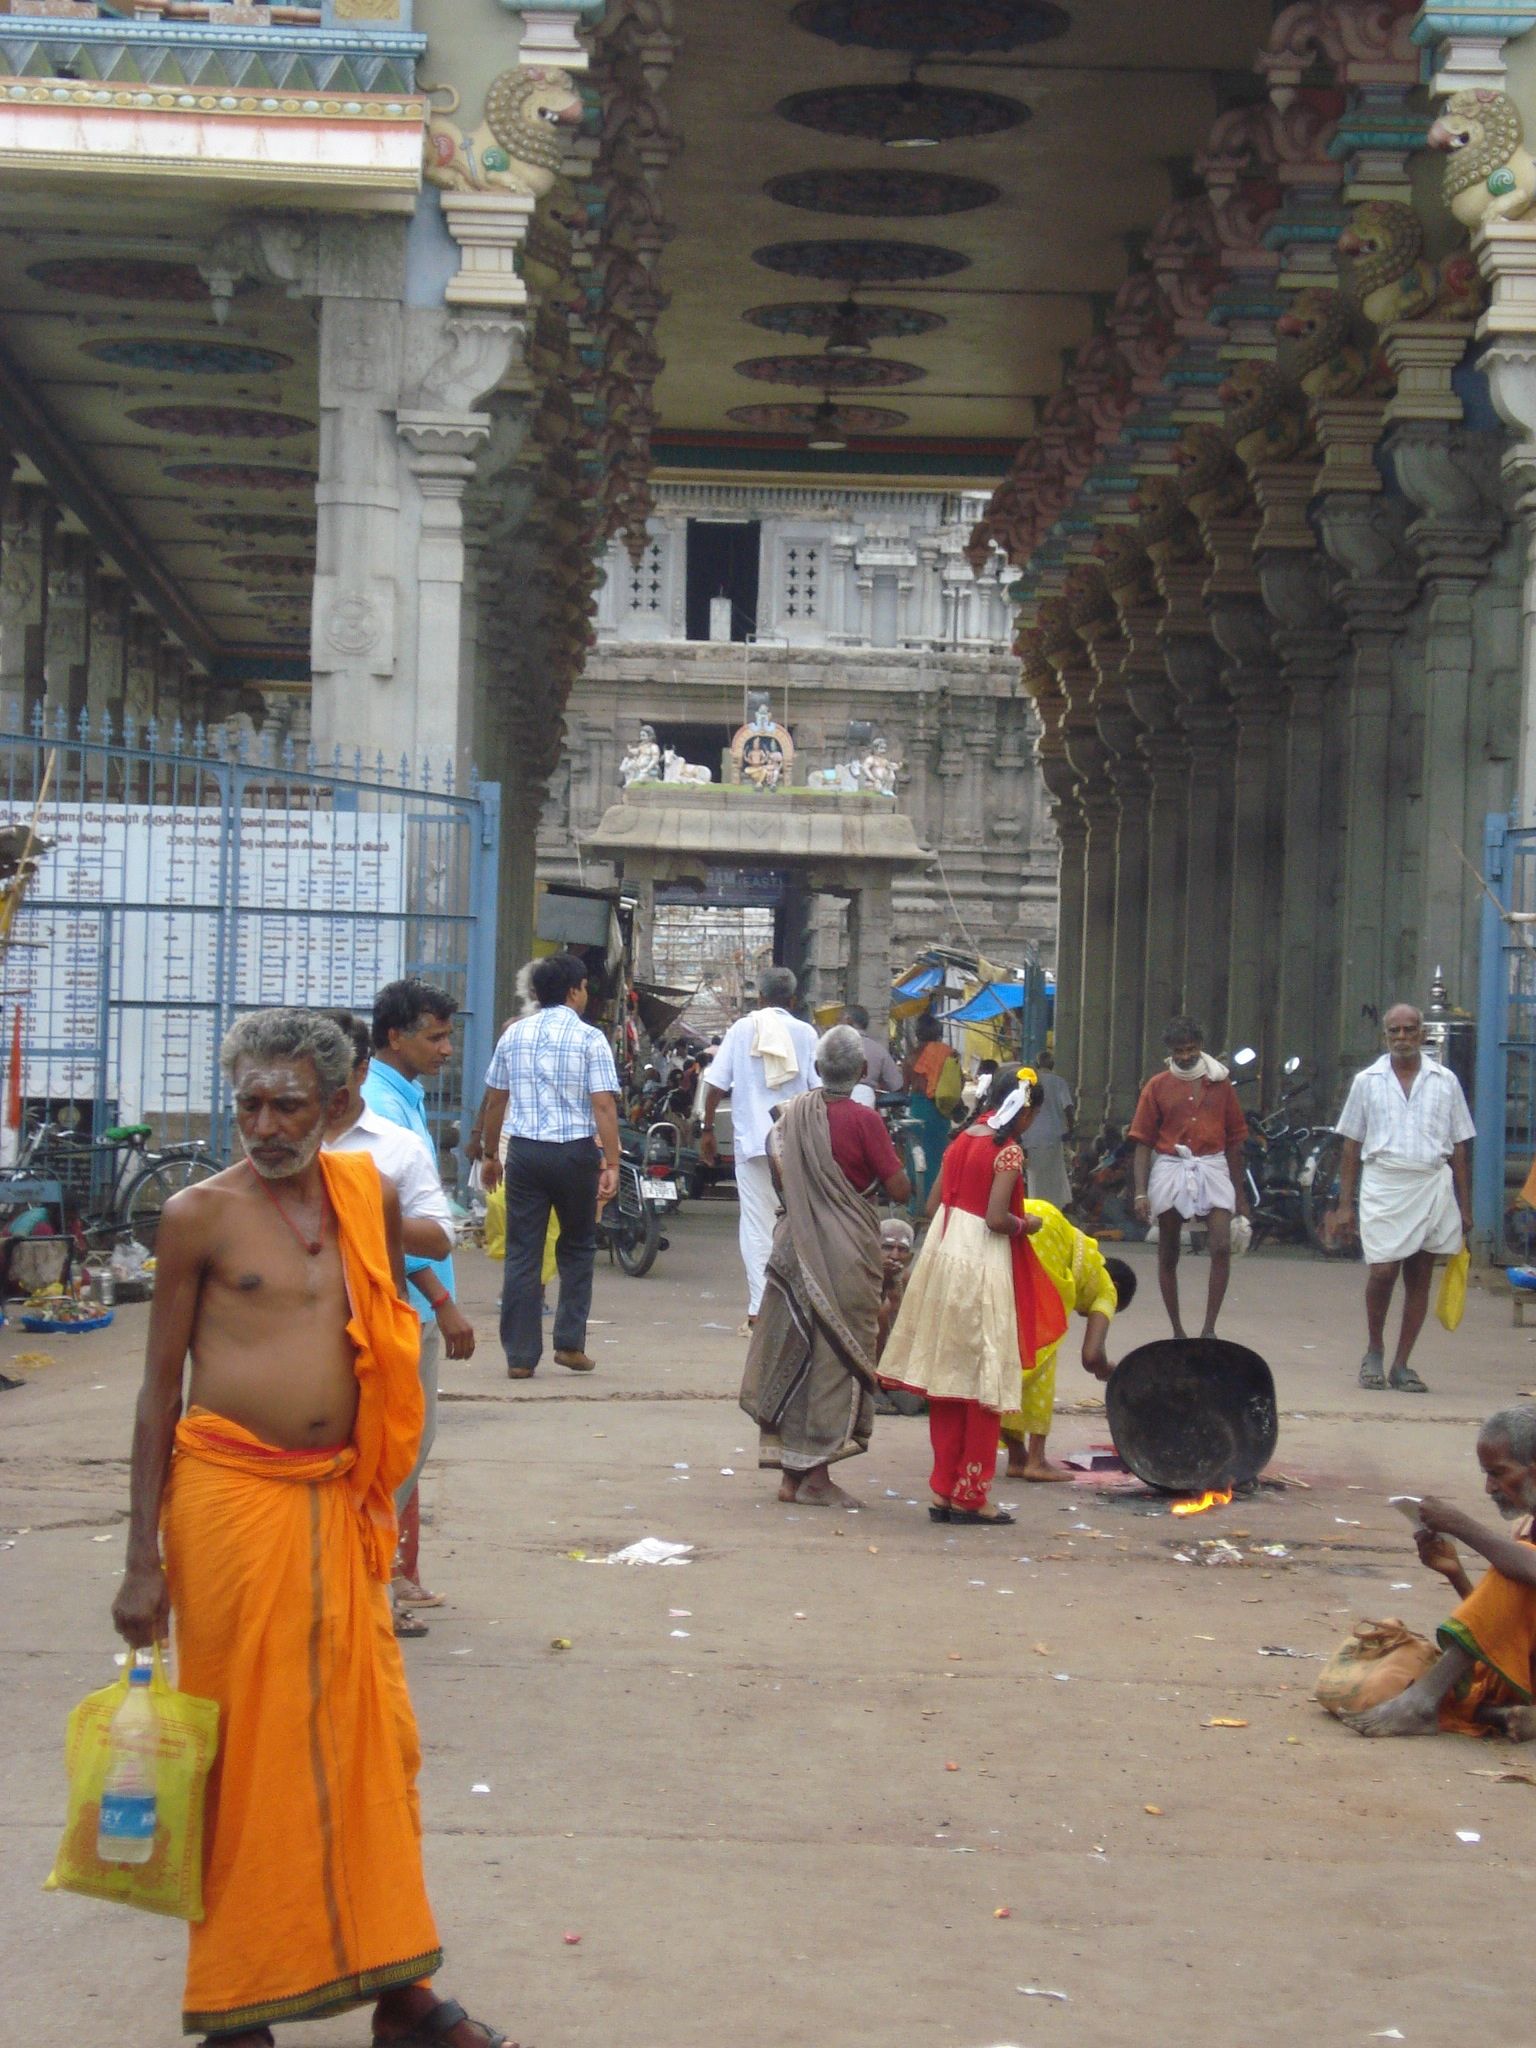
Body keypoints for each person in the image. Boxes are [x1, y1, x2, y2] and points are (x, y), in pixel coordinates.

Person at [111, 1009, 506, 2048]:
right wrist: (139, 1558)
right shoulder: (197, 1214)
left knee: (371, 1747)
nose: (265, 1122)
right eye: (248, 1101)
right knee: (245, 1755)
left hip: (338, 1501)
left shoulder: (364, 1190)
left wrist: (449, 1310)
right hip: (231, 1502)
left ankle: (404, 1993)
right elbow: (158, 1394)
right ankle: (238, 2008)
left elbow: (386, 1281)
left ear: (337, 1105)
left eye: (288, 1102)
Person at [880, 1068, 1069, 1525]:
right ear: (1023, 1111)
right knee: (983, 1382)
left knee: (947, 1380)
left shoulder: (961, 1139)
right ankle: (973, 1495)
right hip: (982, 1264)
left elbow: (930, 1207)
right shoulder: (1006, 1153)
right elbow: (996, 1218)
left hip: (943, 1256)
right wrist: (1031, 1225)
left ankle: (943, 1490)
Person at [324, 1009, 456, 1635]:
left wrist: (357, 1210)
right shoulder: (275, 1150)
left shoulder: (391, 1143)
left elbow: (433, 1236)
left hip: (392, 1321)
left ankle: (369, 1576)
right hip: (312, 1334)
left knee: (399, 1450)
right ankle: (344, 1582)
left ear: (357, 1069)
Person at [740, 1024, 911, 1507]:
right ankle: (815, 1477)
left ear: (816, 1069)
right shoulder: (865, 1121)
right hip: (844, 1254)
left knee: (797, 1352)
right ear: (861, 1072)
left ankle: (791, 1476)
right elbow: (899, 1190)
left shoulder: (789, 1118)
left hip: (793, 1249)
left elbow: (780, 1178)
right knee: (834, 1360)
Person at [361, 979, 475, 1612]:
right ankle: (370, 1582)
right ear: (393, 1037)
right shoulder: (379, 1107)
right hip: (403, 1303)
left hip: (415, 1302)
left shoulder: (399, 1099)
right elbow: (381, 1223)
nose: (446, 1049)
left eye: (447, 1035)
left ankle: (384, 1576)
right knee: (399, 1450)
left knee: (408, 1445)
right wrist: (440, 1296)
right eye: (435, 1037)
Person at [1346, 1408, 1536, 1740]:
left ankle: (1420, 1705)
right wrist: (1456, 1574)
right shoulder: (1526, 1525)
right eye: (1487, 1474)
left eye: (1499, 1473)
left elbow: (1527, 1570)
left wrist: (1461, 1525)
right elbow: (1510, 1617)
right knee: (1389, 1682)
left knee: (1520, 1562)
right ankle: (1488, 1712)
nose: (1490, 1487)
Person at [475, 951, 621, 1380]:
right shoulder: (590, 1039)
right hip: (575, 1154)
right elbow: (603, 1105)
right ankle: (570, 1343)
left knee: (524, 1250)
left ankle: (520, 1356)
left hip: (524, 1155)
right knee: (576, 1247)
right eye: (585, 988)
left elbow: (495, 1099)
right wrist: (610, 1162)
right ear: (574, 991)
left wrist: (490, 1154)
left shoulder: (513, 1036)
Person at [1332, 1002, 1474, 1394]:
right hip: (1383, 1184)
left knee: (1419, 1278)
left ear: (1423, 1034)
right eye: (1394, 1031)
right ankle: (1374, 1348)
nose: (1402, 1038)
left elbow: (1460, 1147)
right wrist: (1345, 1204)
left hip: (1432, 1185)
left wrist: (1466, 1207)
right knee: (1382, 1272)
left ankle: (1402, 1364)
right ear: (1384, 1036)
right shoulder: (1367, 1080)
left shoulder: (1445, 1081)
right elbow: (1351, 1143)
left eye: (1410, 1030)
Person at [700, 965, 820, 1334]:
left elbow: (716, 1084)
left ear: (759, 997)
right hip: (796, 1141)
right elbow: (817, 1088)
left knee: (757, 1225)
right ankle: (800, 1307)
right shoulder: (805, 1033)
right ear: (794, 1000)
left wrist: (706, 1129)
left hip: (753, 1143)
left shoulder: (741, 1029)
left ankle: (759, 1311)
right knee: (799, 1224)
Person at [1128, 1017, 1248, 1339]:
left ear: (1200, 1047)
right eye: (1178, 1051)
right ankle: (1178, 1330)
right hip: (1170, 1166)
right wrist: (1141, 1192)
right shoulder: (1156, 1086)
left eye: (1190, 1049)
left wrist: (1240, 1195)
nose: (1185, 1056)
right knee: (1168, 1249)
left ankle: (1209, 1328)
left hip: (1213, 1166)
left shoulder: (1221, 1085)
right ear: (1169, 1052)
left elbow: (1236, 1141)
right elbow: (1142, 1142)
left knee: (1221, 1245)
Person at [1000, 1208, 1135, 1480]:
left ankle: (1017, 1456)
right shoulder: (1106, 1287)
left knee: (1006, 1353)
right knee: (1041, 1353)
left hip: (1019, 1215)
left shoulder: (1080, 1253)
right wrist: (1109, 1371)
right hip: (1042, 1235)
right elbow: (1091, 1355)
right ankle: (1035, 1461)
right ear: (1116, 1286)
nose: (1085, 1314)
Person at [903, 1011, 963, 1208]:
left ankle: (917, 1205)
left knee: (915, 1156)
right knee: (938, 1158)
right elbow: (957, 1083)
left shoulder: (912, 1056)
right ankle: (938, 1203)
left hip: (917, 1107)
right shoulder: (949, 1053)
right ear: (939, 1032)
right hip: (939, 1110)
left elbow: (904, 1088)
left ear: (918, 1033)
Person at [1023, 1050, 1075, 1210]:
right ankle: (1053, 1209)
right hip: (1053, 1136)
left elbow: (1023, 1108)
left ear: (1037, 1065)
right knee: (1053, 1177)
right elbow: (1068, 1108)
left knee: (1035, 1178)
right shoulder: (1059, 1082)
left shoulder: (1029, 1084)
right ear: (1052, 1065)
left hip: (1030, 1136)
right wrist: (1070, 1128)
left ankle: (1036, 1209)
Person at [842, 1002, 903, 1095]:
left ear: (848, 1021)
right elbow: (896, 1085)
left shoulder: (833, 1047)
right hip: (868, 1103)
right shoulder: (879, 1050)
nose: (835, 1024)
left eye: (838, 1020)